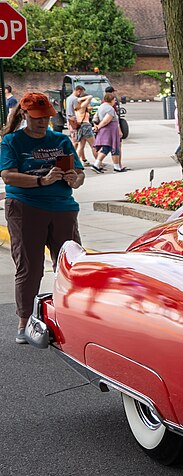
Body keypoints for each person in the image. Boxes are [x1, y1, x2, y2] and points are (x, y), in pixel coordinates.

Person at [1, 92, 85, 344]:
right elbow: (7, 175)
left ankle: (70, 315)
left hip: (63, 208)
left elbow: (79, 175)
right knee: (30, 266)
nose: (42, 122)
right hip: (26, 208)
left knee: (68, 265)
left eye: (46, 117)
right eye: (37, 117)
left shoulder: (60, 140)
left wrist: (74, 178)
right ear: (25, 115)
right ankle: (24, 321)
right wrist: (41, 180)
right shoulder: (12, 141)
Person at [88, 91, 125, 173]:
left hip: (104, 131)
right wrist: (99, 127)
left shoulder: (101, 107)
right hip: (110, 131)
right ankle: (117, 167)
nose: (114, 102)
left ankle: (96, 165)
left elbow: (95, 118)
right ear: (111, 100)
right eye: (114, 100)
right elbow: (106, 121)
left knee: (106, 148)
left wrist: (96, 126)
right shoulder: (110, 109)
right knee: (115, 148)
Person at [72, 96, 94, 163]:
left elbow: (90, 108)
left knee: (81, 146)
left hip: (80, 127)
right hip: (85, 126)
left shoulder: (76, 109)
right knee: (94, 145)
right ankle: (98, 162)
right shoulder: (82, 107)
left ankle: (76, 162)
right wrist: (82, 98)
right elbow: (90, 97)